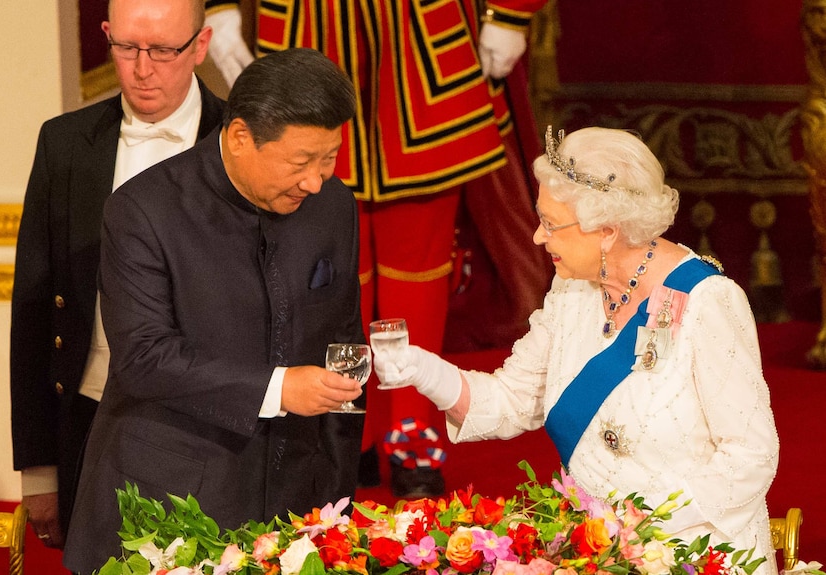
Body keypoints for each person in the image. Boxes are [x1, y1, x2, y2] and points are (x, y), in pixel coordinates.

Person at [373, 126, 781, 575]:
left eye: (551, 224)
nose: (536, 237)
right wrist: (423, 368)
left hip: (695, 552)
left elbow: (751, 456)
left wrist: (641, 528)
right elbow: (513, 398)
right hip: (599, 553)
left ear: (606, 230)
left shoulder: (708, 302)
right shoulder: (571, 290)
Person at [202, 0, 553, 498]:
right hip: (307, 25)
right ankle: (347, 437)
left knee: (421, 270)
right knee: (326, 272)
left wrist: (509, 10)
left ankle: (413, 444)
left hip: (419, 36)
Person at [62, 47, 365, 574]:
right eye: (300, 163)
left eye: (329, 158)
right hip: (171, 503)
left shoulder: (333, 206)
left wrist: (338, 491)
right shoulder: (142, 212)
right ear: (241, 136)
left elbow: (343, 339)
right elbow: (144, 358)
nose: (316, 181)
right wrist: (277, 388)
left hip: (297, 505)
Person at [9, 0, 223, 551]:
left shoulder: (240, 143)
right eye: (126, 48)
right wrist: (39, 469)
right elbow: (33, 308)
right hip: (89, 421)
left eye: (163, 51)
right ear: (106, 35)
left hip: (213, 433)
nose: (142, 69)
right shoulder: (64, 143)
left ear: (201, 45)